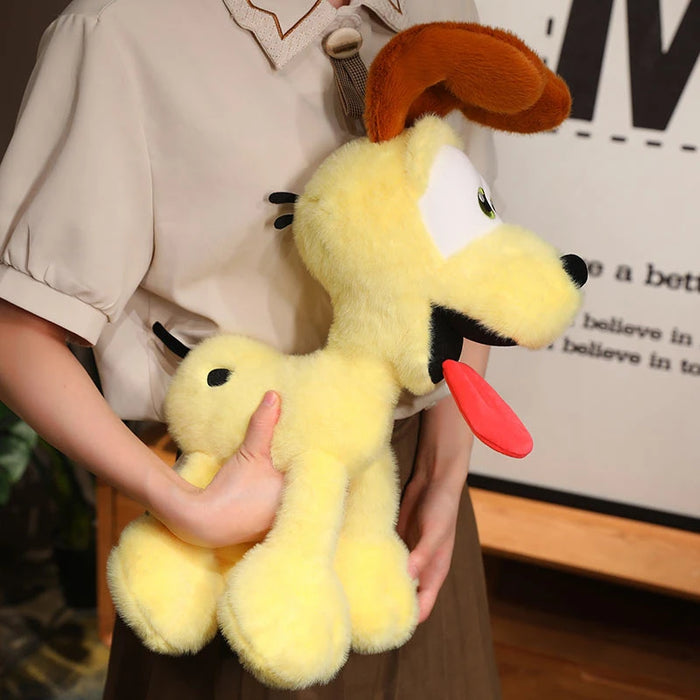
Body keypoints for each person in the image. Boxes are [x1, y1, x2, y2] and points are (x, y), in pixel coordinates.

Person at [0, 0, 501, 697]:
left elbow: (474, 253)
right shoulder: (121, 30)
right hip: (238, 515)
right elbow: (18, 331)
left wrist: (448, 465)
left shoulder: (441, 6)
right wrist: (184, 503)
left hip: (404, 500)